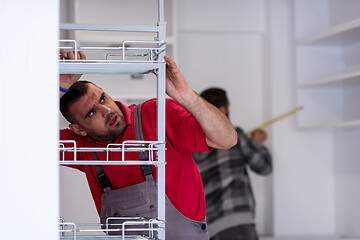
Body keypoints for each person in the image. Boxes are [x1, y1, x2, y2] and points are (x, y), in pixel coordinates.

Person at [58, 50, 237, 239]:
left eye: (102, 98)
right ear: (79, 129)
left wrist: (185, 94)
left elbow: (227, 139)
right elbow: (26, 141)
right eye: (91, 113)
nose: (107, 110)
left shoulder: (156, 115)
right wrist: (59, 87)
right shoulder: (79, 145)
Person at [192, 88, 272, 240]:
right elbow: (264, 167)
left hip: (209, 228)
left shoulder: (193, 145)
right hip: (237, 222)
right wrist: (259, 142)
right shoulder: (236, 137)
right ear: (222, 109)